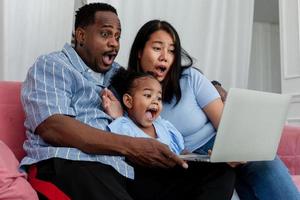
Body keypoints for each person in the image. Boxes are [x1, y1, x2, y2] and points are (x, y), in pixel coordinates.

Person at [20, 3, 235, 200]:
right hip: (69, 163)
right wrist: (132, 147)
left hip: (119, 167)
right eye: (105, 34)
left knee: (216, 172)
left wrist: (213, 86)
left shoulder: (117, 74)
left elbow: (151, 91)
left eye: (118, 36)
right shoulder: (52, 65)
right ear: (81, 35)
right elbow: (54, 127)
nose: (114, 43)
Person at [126, 19, 300, 200]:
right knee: (225, 175)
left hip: (221, 143)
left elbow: (225, 123)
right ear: (139, 52)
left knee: (264, 163)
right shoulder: (130, 95)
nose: (165, 56)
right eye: (157, 48)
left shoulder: (190, 78)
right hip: (188, 161)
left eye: (171, 50)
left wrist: (233, 150)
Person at [106, 67, 185, 155]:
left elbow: (181, 152)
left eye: (159, 98)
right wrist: (118, 117)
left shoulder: (163, 125)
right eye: (148, 95)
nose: (155, 101)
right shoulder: (124, 127)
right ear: (128, 101)